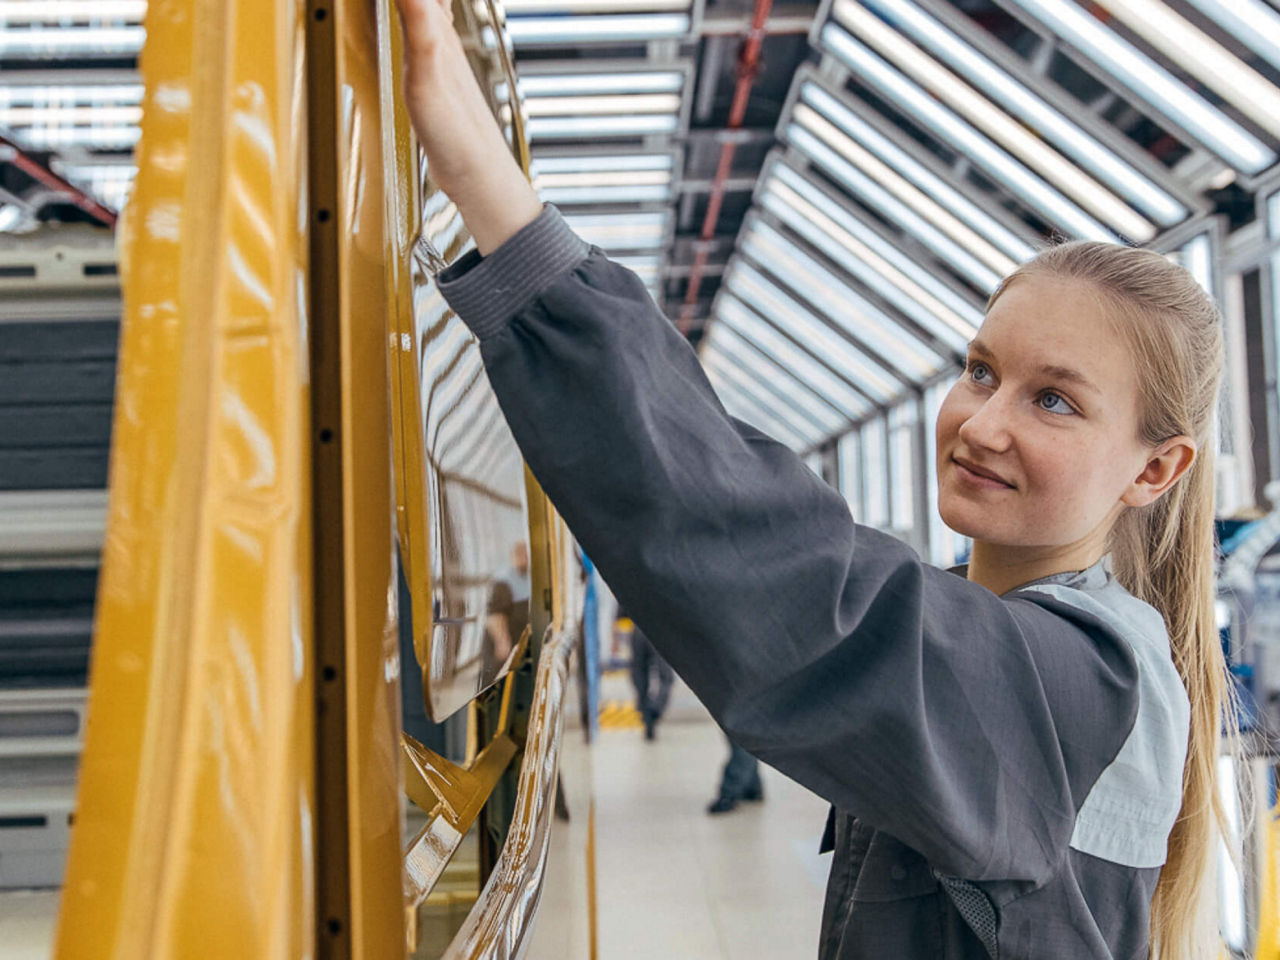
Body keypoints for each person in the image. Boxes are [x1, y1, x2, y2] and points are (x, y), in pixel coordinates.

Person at [393, 2, 1234, 956]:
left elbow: (792, 582)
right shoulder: (1033, 649)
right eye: (981, 371)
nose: (983, 423)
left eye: (1054, 403)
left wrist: (492, 198)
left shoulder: (1084, 683)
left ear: (1156, 468)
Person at [619, 606, 675, 740]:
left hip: (638, 627)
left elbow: (621, 611)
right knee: (665, 675)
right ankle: (655, 709)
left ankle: (645, 711)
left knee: (639, 672)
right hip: (660, 628)